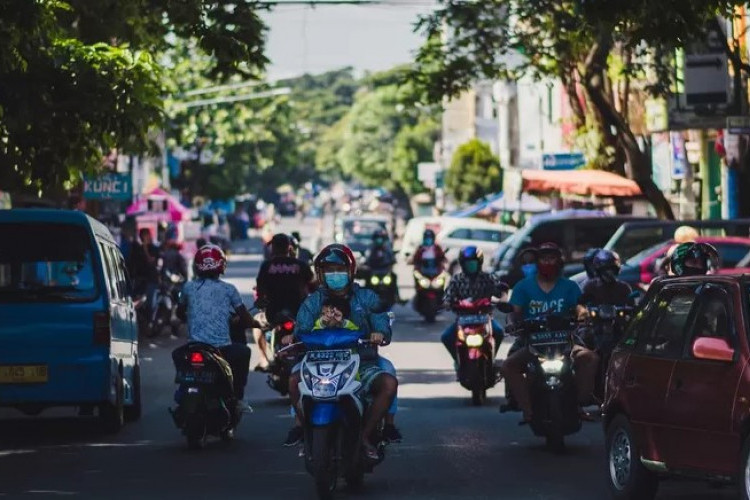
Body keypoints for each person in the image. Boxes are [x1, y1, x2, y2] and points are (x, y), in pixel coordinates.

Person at [283, 244, 401, 458]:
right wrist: (292, 337)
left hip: (360, 364)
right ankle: (303, 429)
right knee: (292, 381)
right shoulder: (312, 302)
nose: (334, 274)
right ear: (320, 273)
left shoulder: (367, 297)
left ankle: (365, 435)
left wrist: (379, 333)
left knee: (389, 383)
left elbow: (381, 321)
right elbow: (301, 329)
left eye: (339, 269)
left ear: (351, 271)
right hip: (316, 364)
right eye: (329, 269)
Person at [500, 243, 593, 424]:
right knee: (509, 366)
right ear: (537, 262)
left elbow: (580, 307)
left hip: (565, 340)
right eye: (544, 259)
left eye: (552, 258)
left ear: (559, 261)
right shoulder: (523, 287)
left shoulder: (570, 286)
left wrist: (583, 316)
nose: (548, 262)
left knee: (590, 358)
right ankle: (528, 410)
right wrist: (514, 325)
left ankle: (579, 405)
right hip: (532, 343)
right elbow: (515, 312)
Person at [175, 244, 254, 409]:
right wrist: (256, 324)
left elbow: (180, 312)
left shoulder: (188, 287)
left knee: (177, 355)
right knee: (244, 352)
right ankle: (238, 397)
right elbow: (246, 318)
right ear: (222, 266)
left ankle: (182, 391)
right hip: (221, 349)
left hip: (194, 347)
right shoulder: (229, 289)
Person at [253, 234, 314, 371]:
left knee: (256, 322)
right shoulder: (300, 265)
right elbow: (312, 284)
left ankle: (263, 359)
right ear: (289, 248)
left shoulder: (267, 266)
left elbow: (260, 290)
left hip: (273, 314)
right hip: (298, 313)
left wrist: (261, 301)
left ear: (273, 248)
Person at [441, 246, 507, 368]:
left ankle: (491, 359)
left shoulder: (488, 278)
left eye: (473, 263)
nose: (471, 266)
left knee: (498, 332)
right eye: (468, 264)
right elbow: (448, 297)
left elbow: (501, 292)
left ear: (479, 263)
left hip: (484, 318)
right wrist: (447, 303)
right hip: (463, 320)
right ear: (462, 264)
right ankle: (458, 360)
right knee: (446, 337)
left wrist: (502, 300)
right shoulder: (456, 279)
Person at [128, 228, 161, 315]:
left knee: (151, 304)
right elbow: (132, 263)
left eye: (147, 235)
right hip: (140, 280)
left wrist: (145, 248)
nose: (146, 237)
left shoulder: (154, 249)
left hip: (151, 280)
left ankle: (151, 322)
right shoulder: (137, 249)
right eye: (144, 235)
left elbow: (151, 261)